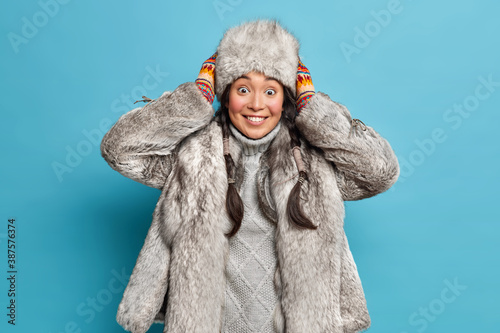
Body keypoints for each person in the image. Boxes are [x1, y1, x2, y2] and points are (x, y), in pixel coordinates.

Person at [100, 20, 399, 333]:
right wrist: (196, 98)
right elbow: (120, 150)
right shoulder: (193, 156)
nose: (256, 104)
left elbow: (379, 173)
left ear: (286, 97)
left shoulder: (312, 162)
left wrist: (315, 109)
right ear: (226, 95)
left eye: (270, 90)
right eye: (243, 89)